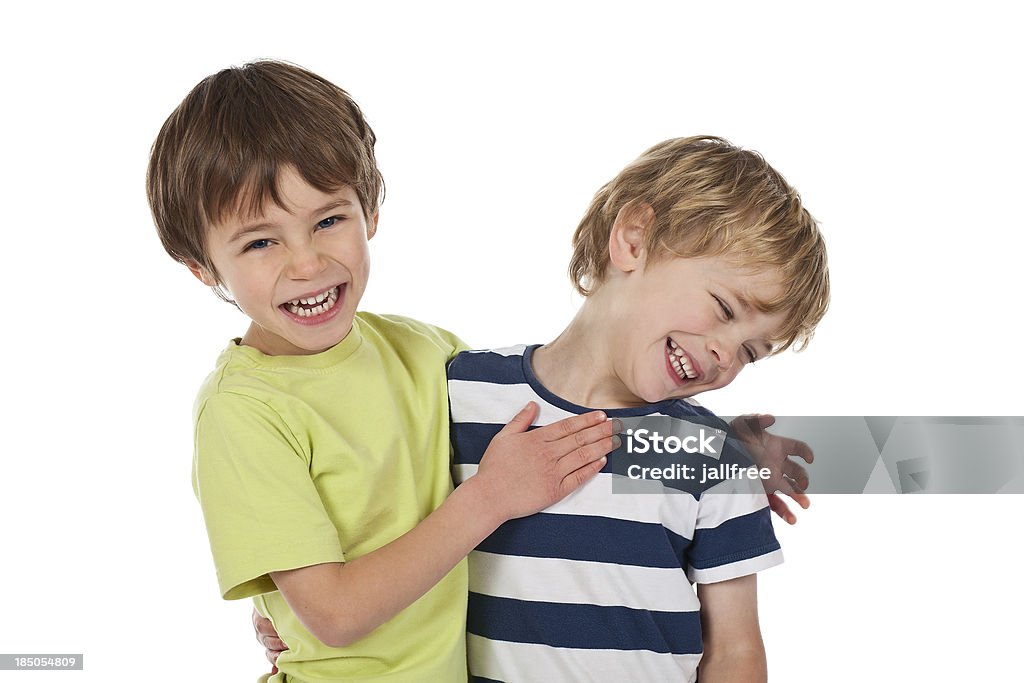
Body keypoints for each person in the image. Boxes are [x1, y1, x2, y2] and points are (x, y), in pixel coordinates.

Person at [147, 59, 619, 682]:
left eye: (328, 220)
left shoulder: (425, 352)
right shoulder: (244, 410)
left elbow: (578, 425)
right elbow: (336, 615)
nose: (308, 263)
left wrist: (744, 459)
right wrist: (489, 499)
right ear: (203, 267)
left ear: (369, 210)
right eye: (260, 242)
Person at [444, 136, 830, 682]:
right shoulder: (463, 393)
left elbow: (736, 650)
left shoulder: (710, 456)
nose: (725, 354)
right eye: (723, 307)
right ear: (633, 239)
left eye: (749, 352)